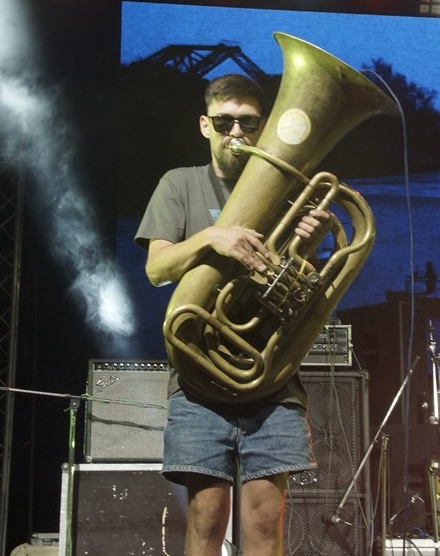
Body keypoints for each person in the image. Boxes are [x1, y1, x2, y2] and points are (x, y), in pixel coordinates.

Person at [135, 73, 329, 556]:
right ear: (205, 125)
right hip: (198, 379)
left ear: (263, 128)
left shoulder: (292, 194)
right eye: (224, 122)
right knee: (206, 517)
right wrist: (211, 237)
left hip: (271, 380)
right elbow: (156, 269)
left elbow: (299, 287)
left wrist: (308, 247)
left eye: (247, 123)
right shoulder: (179, 183)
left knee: (265, 520)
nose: (235, 133)